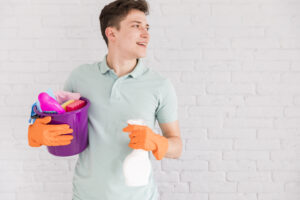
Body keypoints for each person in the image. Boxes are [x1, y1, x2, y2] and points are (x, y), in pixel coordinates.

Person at [27, 0, 182, 199]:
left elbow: (176, 146)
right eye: (136, 26)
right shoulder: (80, 77)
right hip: (86, 195)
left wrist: (156, 142)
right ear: (111, 33)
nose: (146, 34)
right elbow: (55, 121)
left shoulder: (160, 85)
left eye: (147, 27)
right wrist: (36, 133)